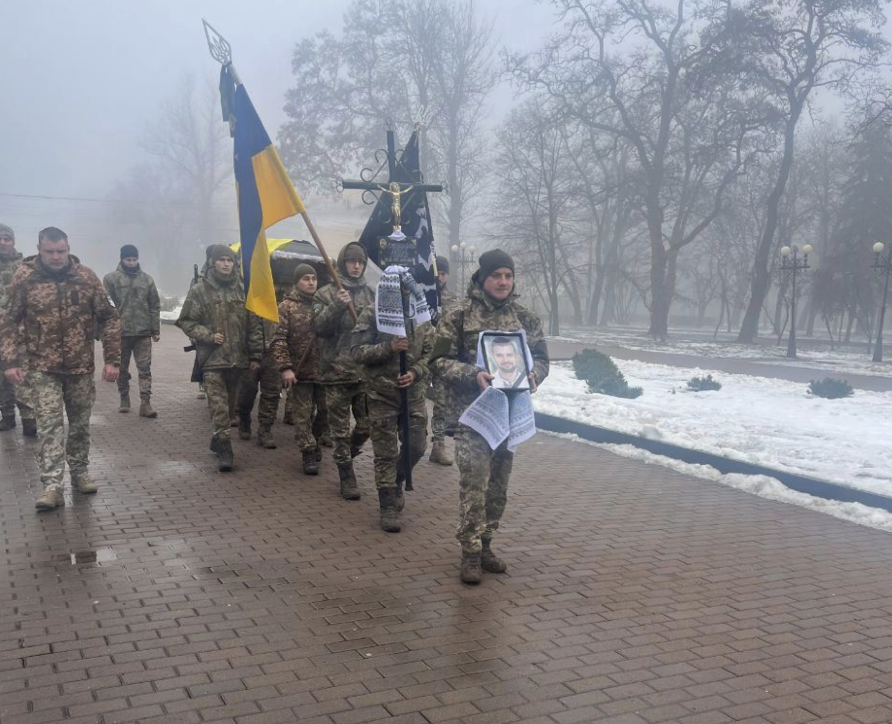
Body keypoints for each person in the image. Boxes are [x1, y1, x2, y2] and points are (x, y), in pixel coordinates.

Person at [431, 249, 549, 584]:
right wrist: (473, 374)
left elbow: (541, 359)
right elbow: (437, 362)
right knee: (474, 485)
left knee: (498, 487)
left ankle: (486, 545)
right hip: (473, 416)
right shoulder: (460, 317)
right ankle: (468, 552)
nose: (503, 281)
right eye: (496, 275)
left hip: (508, 417)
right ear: (483, 279)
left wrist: (533, 375)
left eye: (508, 276)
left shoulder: (525, 319)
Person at [0, 227, 121, 510]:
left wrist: (113, 359)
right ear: (39, 249)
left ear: (69, 249)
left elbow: (110, 318)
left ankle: (79, 473)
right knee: (49, 426)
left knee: (79, 425)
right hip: (42, 368)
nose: (56, 257)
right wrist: (11, 361)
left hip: (80, 368)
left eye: (61, 251)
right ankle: (52, 485)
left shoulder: (86, 277)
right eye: (50, 251)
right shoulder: (25, 278)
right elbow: (8, 320)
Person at [351, 276, 433, 532]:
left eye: (406, 289)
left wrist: (417, 371)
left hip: (413, 395)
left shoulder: (421, 315)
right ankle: (387, 505)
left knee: (417, 446)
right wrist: (388, 347)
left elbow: (432, 352)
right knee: (385, 453)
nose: (402, 293)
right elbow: (357, 352)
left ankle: (396, 480)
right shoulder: (371, 313)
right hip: (381, 395)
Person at [176, 245, 262, 471]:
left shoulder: (243, 290)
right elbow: (186, 321)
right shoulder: (200, 290)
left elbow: (253, 326)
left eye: (230, 260)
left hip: (238, 361)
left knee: (230, 408)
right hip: (212, 360)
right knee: (219, 407)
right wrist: (208, 335)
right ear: (213, 262)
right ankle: (225, 448)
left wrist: (255, 355)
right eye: (221, 260)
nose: (226, 264)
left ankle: (217, 438)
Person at [313, 242, 374, 500]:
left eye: (360, 261)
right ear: (342, 263)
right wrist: (337, 305)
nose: (356, 266)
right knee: (338, 430)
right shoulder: (326, 294)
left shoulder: (372, 294)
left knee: (366, 425)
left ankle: (348, 451)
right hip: (336, 372)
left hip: (365, 372)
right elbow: (318, 327)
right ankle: (346, 475)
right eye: (351, 261)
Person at [271, 263, 321, 474]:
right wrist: (286, 368)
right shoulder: (286, 307)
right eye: (306, 278)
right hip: (300, 371)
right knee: (302, 415)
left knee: (325, 413)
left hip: (325, 371)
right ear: (297, 281)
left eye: (313, 278)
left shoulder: (323, 305)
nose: (311, 282)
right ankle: (308, 452)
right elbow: (279, 340)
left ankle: (314, 440)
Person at [103, 244, 161, 418]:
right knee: (121, 368)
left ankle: (145, 403)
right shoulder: (111, 279)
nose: (131, 262)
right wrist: (106, 331)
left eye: (134, 259)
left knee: (145, 369)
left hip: (142, 332)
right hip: (120, 333)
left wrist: (155, 329)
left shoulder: (147, 280)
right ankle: (124, 399)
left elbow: (154, 305)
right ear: (122, 259)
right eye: (128, 259)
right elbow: (105, 306)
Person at [0, 223, 36, 436]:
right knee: (2, 378)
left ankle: (30, 419)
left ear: (13, 241)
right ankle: (7, 416)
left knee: (22, 375)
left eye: (6, 239)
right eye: (0, 239)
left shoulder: (25, 268)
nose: (2, 242)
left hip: (19, 332)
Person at [428, 255, 458, 466]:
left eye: (444, 272)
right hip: (419, 356)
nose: (440, 276)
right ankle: (410, 443)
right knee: (415, 404)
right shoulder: (421, 294)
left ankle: (438, 446)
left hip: (440, 357)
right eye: (437, 272)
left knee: (441, 403)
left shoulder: (452, 299)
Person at [237, 310, 280, 448]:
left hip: (273, 353)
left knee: (272, 393)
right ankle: (244, 418)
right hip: (248, 354)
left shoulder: (280, 299)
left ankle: (265, 429)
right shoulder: (246, 298)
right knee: (247, 391)